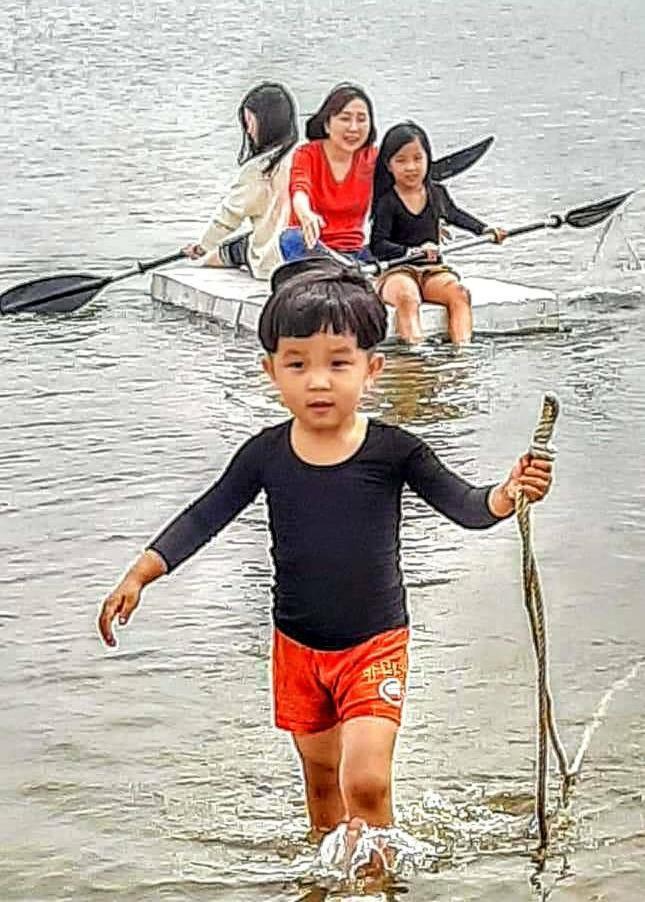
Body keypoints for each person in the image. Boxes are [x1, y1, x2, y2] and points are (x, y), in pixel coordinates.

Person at [97, 257, 552, 861]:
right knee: (321, 788)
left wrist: (509, 491)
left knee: (366, 782)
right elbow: (205, 517)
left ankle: (380, 883)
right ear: (271, 372)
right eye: (297, 364)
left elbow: (468, 506)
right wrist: (140, 574)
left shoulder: (395, 451)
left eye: (338, 363)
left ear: (371, 369)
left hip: (374, 645)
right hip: (298, 650)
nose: (318, 381)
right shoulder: (264, 455)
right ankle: (326, 883)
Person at [370, 121, 507, 345]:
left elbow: (456, 215)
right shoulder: (387, 202)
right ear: (389, 165)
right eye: (401, 161)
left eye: (418, 159)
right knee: (408, 298)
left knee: (459, 293)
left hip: (432, 270)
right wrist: (412, 251)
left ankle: (462, 352)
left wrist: (484, 229)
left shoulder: (437, 193)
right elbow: (378, 245)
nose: (411, 167)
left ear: (428, 159)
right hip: (398, 271)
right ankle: (416, 351)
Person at [183, 82, 298, 280]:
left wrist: (202, 247)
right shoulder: (307, 158)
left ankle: (201, 256)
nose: (249, 131)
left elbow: (228, 218)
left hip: (272, 260)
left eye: (249, 122)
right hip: (303, 253)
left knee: (221, 253)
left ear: (265, 124)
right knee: (243, 241)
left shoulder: (259, 169)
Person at [280, 83, 377, 263]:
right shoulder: (307, 154)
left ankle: (346, 265)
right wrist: (306, 213)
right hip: (314, 245)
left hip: (355, 250)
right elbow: (299, 189)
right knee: (290, 239)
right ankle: (341, 266)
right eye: (345, 119)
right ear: (327, 124)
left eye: (361, 119)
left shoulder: (373, 158)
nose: (354, 128)